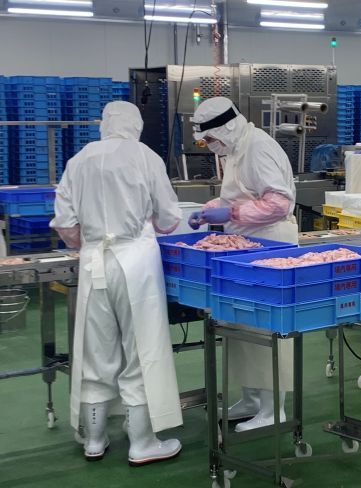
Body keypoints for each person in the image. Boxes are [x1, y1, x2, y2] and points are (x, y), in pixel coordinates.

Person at [50, 101, 183, 464]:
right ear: (136, 125)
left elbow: (65, 224)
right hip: (136, 262)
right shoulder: (145, 157)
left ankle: (94, 439)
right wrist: (141, 226)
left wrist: (92, 240)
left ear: (104, 125)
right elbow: (169, 218)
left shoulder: (79, 160)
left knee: (96, 351)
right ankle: (142, 442)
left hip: (94, 261)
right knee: (141, 350)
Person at [188, 97, 297, 432]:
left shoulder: (258, 147)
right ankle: (251, 399)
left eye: (211, 139)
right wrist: (210, 210)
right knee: (241, 328)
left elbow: (278, 203)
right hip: (246, 246)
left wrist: (231, 213)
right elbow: (238, 196)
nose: (210, 146)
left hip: (270, 246)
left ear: (227, 127)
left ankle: (273, 408)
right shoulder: (235, 149)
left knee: (266, 329)